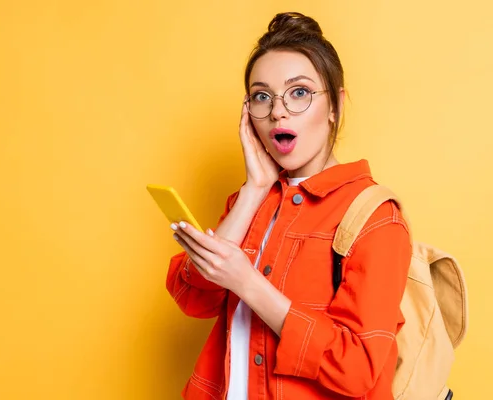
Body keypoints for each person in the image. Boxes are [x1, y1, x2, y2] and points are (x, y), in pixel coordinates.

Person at [166, 11, 412, 400]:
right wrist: (253, 190)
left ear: (336, 107)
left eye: (299, 92)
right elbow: (192, 297)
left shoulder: (375, 218)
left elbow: (359, 368)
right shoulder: (249, 200)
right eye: (262, 96)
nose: (278, 110)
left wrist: (248, 283)